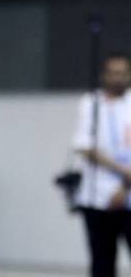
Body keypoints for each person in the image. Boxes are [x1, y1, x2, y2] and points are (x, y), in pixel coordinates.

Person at [72, 53, 131, 277]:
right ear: (104, 76)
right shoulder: (91, 103)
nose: (118, 78)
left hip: (129, 194)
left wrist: (125, 186)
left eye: (123, 73)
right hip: (98, 196)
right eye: (113, 73)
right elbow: (85, 145)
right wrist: (122, 171)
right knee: (102, 262)